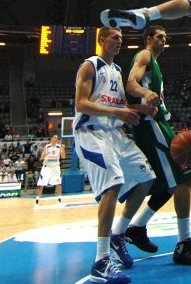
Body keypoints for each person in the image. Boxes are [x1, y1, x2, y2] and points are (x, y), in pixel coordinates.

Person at [73, 26, 156, 284]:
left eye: (121, 38)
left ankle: (119, 233)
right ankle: (101, 261)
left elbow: (117, 105)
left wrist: (139, 107)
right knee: (113, 184)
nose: (120, 42)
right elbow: (81, 103)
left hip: (114, 134)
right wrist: (118, 114)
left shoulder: (118, 71)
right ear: (101, 40)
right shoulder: (90, 66)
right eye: (115, 38)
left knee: (146, 178)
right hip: (91, 132)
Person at [122, 25, 191, 265]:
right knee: (183, 178)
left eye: (166, 37)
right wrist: (144, 91)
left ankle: (137, 228)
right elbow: (130, 83)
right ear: (149, 39)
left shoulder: (156, 64)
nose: (164, 40)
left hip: (159, 124)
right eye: (159, 37)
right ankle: (184, 244)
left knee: (171, 185)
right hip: (151, 125)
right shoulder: (144, 55)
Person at [35, 135, 65, 205]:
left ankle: (59, 198)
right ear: (51, 138)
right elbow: (41, 158)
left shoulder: (59, 146)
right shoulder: (47, 146)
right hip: (47, 167)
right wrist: (45, 154)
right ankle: (37, 199)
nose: (56, 138)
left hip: (55, 167)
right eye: (54, 137)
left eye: (57, 138)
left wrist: (63, 149)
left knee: (58, 183)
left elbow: (63, 156)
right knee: (41, 184)